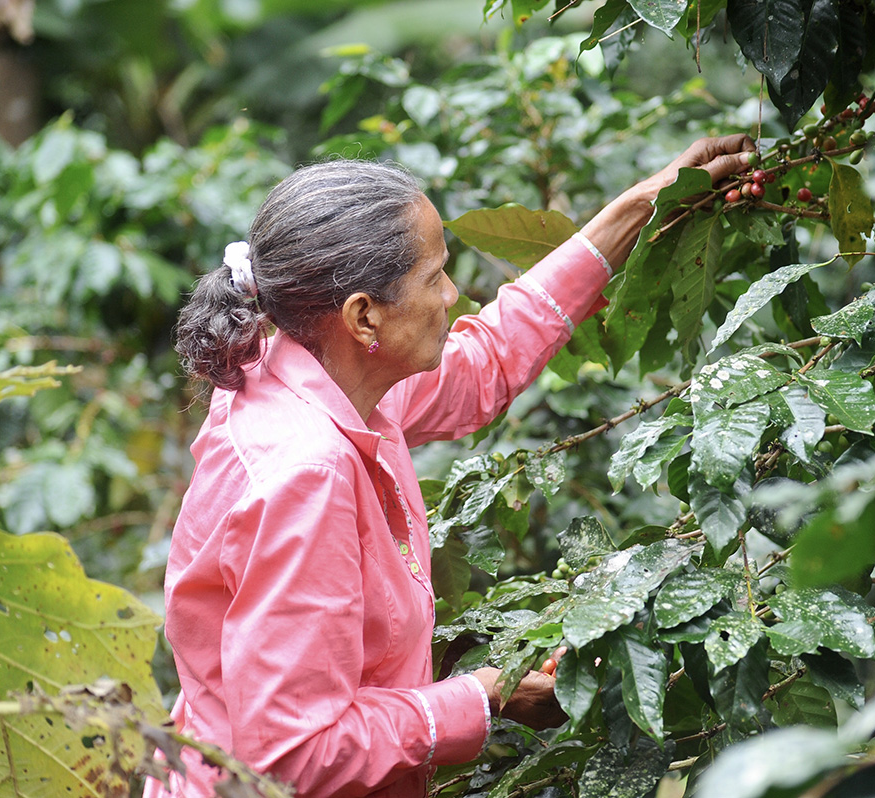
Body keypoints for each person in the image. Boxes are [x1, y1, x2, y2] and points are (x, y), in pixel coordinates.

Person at [146, 136, 755, 798]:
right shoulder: (307, 473)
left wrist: (640, 206)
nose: (453, 292)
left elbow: (481, 367)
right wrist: (484, 697)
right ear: (363, 315)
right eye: (434, 277)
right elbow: (297, 753)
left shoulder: (304, 363)